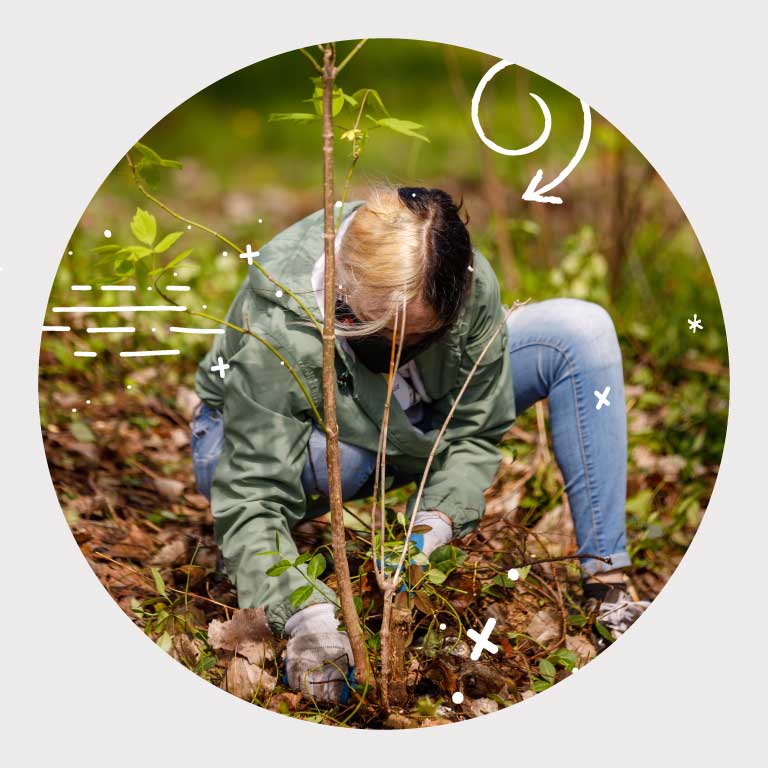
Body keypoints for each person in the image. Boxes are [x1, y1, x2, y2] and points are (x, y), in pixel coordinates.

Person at [192, 185, 647, 703]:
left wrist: (434, 524)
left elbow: (475, 429)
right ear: (346, 284)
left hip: (403, 429)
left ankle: (607, 583)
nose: (399, 350)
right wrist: (305, 614)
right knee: (349, 454)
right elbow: (250, 492)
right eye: (379, 330)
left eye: (420, 337)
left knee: (581, 331)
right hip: (249, 444)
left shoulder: (464, 281)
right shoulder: (278, 323)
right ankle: (259, 558)